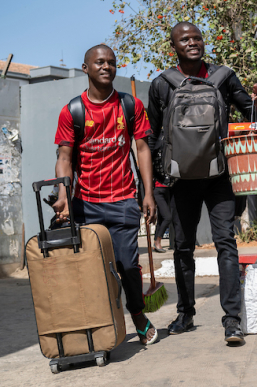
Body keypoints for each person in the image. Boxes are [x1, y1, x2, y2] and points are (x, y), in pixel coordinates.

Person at [146, 22, 257, 345]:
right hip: (181, 180)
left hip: (220, 177)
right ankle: (185, 313)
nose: (193, 43)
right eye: (185, 39)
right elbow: (152, 134)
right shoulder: (161, 85)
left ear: (203, 42)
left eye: (197, 38)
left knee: (225, 242)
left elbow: (251, 114)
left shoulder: (224, 77)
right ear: (174, 47)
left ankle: (232, 320)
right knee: (182, 247)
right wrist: (161, 178)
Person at [52, 44, 159, 345]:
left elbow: (142, 149)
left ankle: (137, 313)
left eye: (111, 62)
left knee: (127, 266)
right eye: (99, 62)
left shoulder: (130, 106)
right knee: (90, 271)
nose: (106, 66)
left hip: (123, 200)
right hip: (85, 204)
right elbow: (64, 157)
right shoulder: (72, 111)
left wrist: (148, 193)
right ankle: (100, 326)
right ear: (86, 68)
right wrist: (63, 192)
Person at [153, 181, 174, 253]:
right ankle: (157, 241)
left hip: (167, 190)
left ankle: (155, 241)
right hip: (158, 190)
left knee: (161, 218)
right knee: (168, 218)